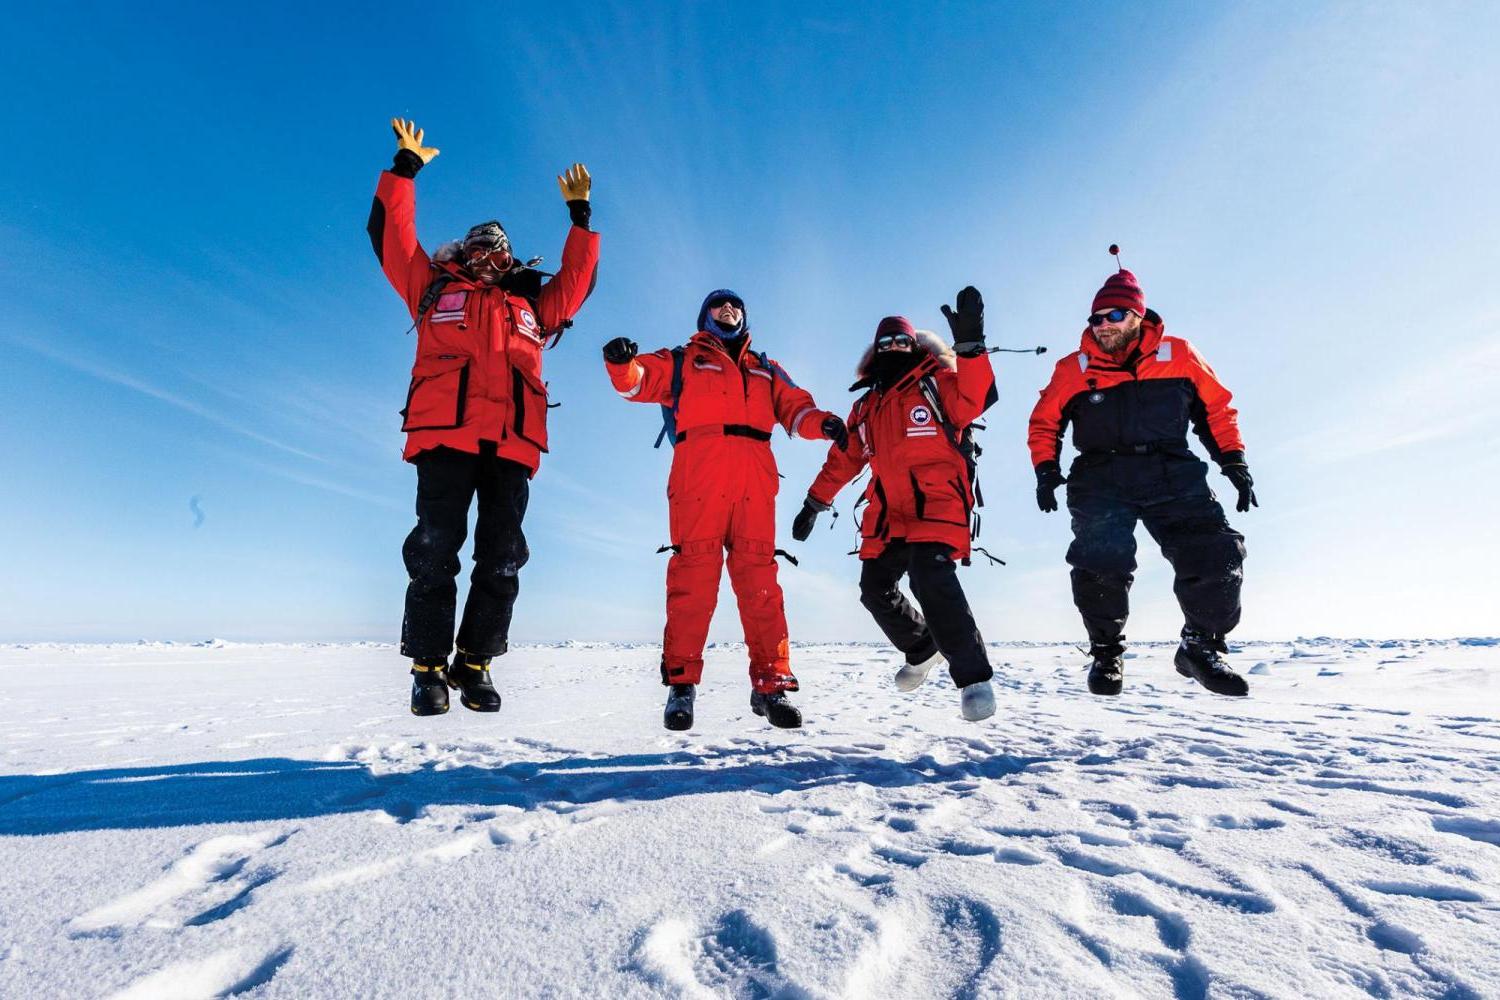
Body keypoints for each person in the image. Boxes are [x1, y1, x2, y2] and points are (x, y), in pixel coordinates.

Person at [367, 119, 601, 716]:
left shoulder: (532, 305)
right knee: (435, 548)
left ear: (509, 256)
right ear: (463, 253)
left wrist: (580, 221)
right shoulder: (431, 286)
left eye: (496, 247)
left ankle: (475, 664)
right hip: (446, 436)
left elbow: (576, 285)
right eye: (476, 246)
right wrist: (403, 170)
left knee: (503, 554)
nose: (486, 254)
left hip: (512, 444)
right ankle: (427, 670)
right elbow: (392, 238)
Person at [602, 291, 845, 730]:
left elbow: (797, 409)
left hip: (755, 481)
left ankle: (771, 686)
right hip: (699, 477)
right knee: (693, 582)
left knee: (762, 588)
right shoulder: (683, 359)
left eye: (735, 306)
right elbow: (637, 382)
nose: (728, 310)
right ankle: (681, 686)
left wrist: (823, 423)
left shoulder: (766, 369)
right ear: (705, 316)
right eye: (719, 306)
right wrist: (622, 364)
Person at [1027, 251, 1256, 697]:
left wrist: (1234, 461)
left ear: (1137, 315)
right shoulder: (1073, 369)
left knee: (1218, 554)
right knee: (1100, 564)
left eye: (1114, 315)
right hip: (1100, 474)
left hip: (1170, 469)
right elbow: (1044, 422)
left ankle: (1200, 647)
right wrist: (1046, 468)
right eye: (1095, 318)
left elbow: (1216, 411)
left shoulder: (1179, 355)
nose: (1103, 325)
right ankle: (1106, 653)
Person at [792, 289, 999, 722]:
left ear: (914, 345)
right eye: (885, 344)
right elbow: (844, 460)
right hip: (888, 514)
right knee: (874, 589)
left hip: (937, 505)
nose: (893, 349)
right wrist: (814, 502)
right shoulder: (865, 406)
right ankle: (922, 648)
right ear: (875, 352)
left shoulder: (937, 383)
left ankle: (974, 679)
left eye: (901, 342)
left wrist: (972, 348)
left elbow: (976, 397)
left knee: (930, 578)